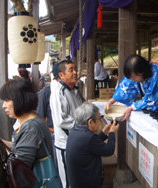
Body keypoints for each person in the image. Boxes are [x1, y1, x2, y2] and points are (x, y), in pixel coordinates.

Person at [0, 78, 53, 169]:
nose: (3, 106)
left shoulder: (30, 128)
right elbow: (21, 147)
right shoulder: (34, 119)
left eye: (7, 100)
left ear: (19, 99)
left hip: (32, 182)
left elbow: (18, 168)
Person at [66, 102, 119, 188]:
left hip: (78, 181)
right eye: (99, 119)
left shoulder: (75, 131)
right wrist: (112, 132)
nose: (100, 121)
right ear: (90, 122)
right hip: (87, 183)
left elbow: (91, 145)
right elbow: (109, 150)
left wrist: (104, 133)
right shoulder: (88, 137)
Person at [50, 60, 84, 188]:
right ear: (61, 75)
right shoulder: (59, 93)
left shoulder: (74, 90)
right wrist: (84, 125)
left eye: (75, 69)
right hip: (66, 144)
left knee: (78, 178)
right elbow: (61, 120)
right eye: (71, 70)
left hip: (78, 141)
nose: (75, 72)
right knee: (69, 182)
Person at [36, 63, 59, 168]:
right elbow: (40, 115)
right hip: (53, 133)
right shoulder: (46, 92)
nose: (75, 73)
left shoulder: (72, 91)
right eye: (71, 70)